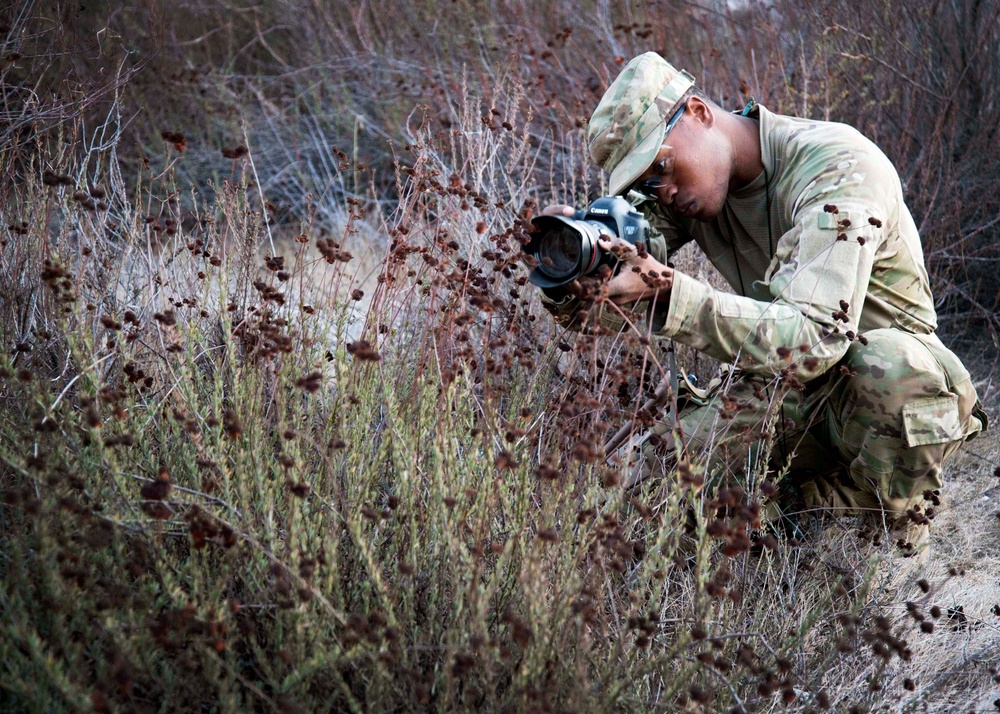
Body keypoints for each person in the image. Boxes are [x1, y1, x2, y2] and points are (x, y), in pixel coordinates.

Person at [540, 52, 987, 553]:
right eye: (643, 184)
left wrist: (671, 294)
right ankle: (792, 519)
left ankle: (885, 531)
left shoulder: (837, 169)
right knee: (661, 484)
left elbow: (817, 338)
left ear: (698, 112)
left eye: (660, 167)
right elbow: (619, 283)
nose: (660, 190)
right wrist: (577, 271)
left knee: (889, 366)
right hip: (787, 385)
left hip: (871, 384)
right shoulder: (690, 188)